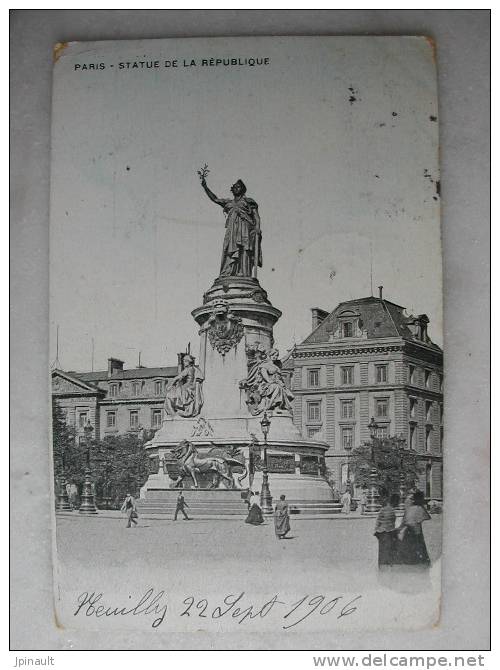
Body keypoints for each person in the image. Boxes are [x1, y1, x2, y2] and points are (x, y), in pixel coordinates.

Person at [201, 176, 262, 278]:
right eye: (235, 187)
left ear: (242, 189)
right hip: (232, 231)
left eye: (239, 187)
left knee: (244, 249)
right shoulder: (229, 203)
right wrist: (205, 187)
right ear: (232, 189)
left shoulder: (248, 201)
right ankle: (229, 272)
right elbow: (215, 199)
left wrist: (257, 228)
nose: (236, 188)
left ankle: (243, 273)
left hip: (245, 228)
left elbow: (256, 216)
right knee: (229, 249)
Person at [397, 490, 431, 566]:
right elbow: (426, 518)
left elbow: (404, 520)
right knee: (419, 546)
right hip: (417, 531)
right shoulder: (420, 508)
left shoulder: (409, 508)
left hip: (407, 531)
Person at [374, 493, 400, 567]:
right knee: (389, 550)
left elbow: (378, 521)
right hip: (388, 533)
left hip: (382, 532)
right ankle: (387, 565)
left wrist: (376, 530)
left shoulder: (385, 508)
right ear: (395, 502)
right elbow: (389, 523)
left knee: (383, 551)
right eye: (397, 502)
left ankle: (382, 566)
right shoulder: (390, 509)